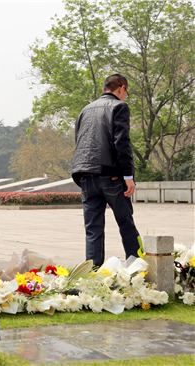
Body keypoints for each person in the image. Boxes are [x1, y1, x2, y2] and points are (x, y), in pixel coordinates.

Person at [72, 73, 140, 268]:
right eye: (127, 91)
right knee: (126, 224)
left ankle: (91, 275)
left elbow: (80, 140)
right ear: (122, 88)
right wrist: (128, 176)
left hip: (85, 175)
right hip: (110, 175)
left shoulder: (85, 110)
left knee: (93, 229)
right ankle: (137, 270)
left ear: (104, 90)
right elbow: (122, 143)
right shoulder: (120, 106)